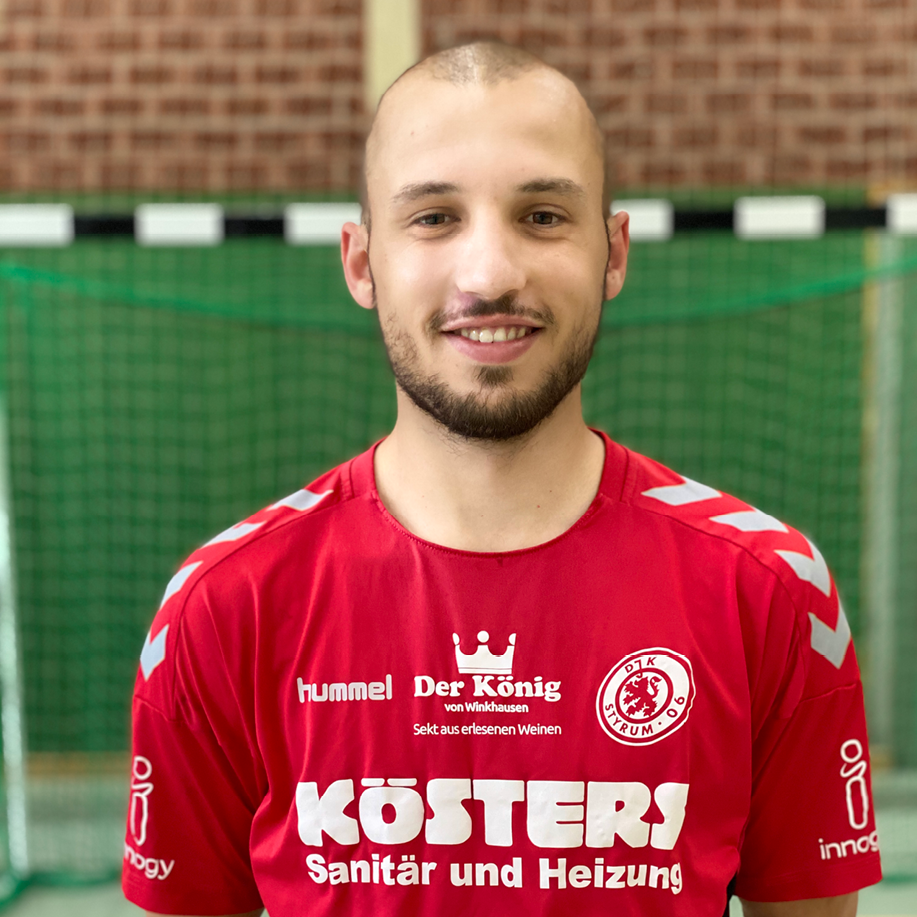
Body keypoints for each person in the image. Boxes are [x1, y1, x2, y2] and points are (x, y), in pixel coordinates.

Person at [123, 41, 882, 917]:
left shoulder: (771, 591)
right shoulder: (224, 605)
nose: (489, 274)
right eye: (433, 217)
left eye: (543, 216)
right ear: (361, 263)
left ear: (613, 252)